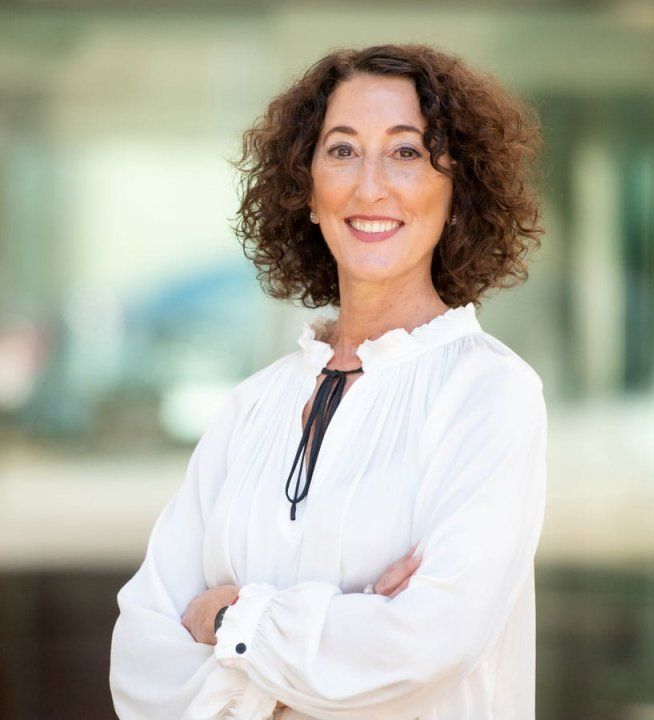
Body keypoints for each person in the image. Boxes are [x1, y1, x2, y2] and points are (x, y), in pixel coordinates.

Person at [109, 42, 547, 720]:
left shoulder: (489, 394)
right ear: (306, 191)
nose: (370, 185)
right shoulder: (253, 405)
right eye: (342, 151)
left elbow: (428, 642)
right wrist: (346, 635)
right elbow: (139, 654)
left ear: (457, 190)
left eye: (406, 151)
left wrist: (233, 623)